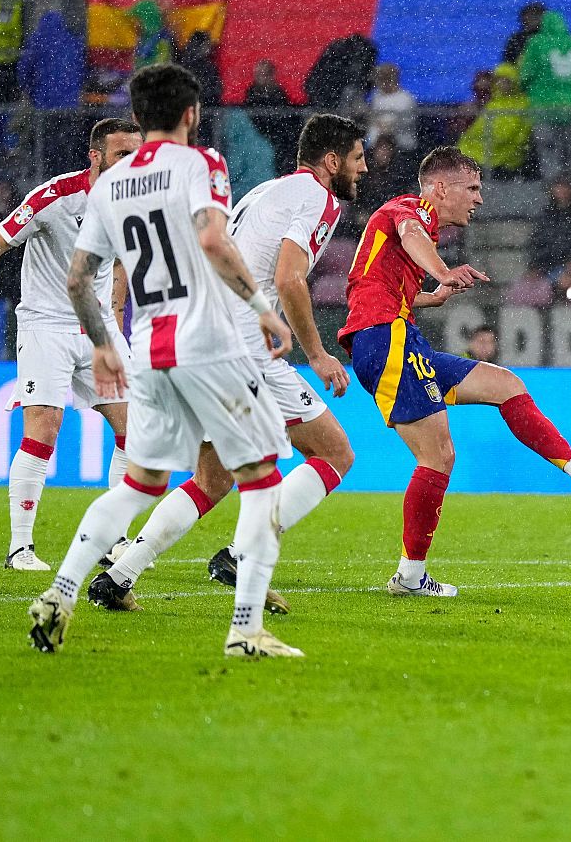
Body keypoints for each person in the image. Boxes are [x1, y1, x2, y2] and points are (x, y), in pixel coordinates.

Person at [29, 63, 300, 657]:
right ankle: (246, 630)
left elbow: (79, 281)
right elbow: (210, 238)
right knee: (259, 480)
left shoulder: (108, 185)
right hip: (209, 342)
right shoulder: (203, 164)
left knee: (141, 482)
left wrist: (103, 343)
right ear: (190, 114)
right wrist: (261, 305)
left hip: (150, 349)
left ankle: (61, 592)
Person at [87, 114, 370, 613]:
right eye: (357, 158)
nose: (363, 169)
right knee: (335, 454)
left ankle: (118, 577)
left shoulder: (264, 193)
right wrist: (318, 354)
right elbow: (289, 279)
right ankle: (241, 555)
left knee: (211, 480)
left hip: (196, 336)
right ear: (332, 161)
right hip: (242, 347)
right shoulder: (317, 199)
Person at [339, 147, 571, 596]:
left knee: (505, 384)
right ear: (440, 188)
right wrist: (442, 272)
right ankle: (410, 577)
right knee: (437, 457)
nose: (478, 199)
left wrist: (426, 296)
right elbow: (410, 232)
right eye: (472, 188)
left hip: (393, 334)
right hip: (387, 340)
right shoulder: (408, 209)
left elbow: (365, 292)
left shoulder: (405, 229)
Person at [0, 119, 142, 571]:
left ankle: (114, 540)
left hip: (96, 329)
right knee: (44, 428)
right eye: (121, 155)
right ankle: (20, 549)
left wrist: (115, 320)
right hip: (46, 325)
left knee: (139, 430)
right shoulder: (55, 197)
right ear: (95, 156)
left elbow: (118, 265)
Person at [519, 11, 571, 179]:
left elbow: (526, 74)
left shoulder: (536, 43)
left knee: (548, 152)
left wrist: (529, 88)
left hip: (544, 106)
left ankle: (552, 192)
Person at [458, 62, 530, 179]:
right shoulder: (492, 103)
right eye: (499, 80)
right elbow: (475, 132)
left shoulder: (522, 104)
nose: (502, 84)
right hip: (481, 155)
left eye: (506, 80)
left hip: (505, 158)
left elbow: (518, 134)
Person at [368, 63, 419, 150]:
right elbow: (371, 118)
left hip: (402, 146)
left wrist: (389, 127)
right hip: (377, 148)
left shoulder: (406, 99)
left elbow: (407, 122)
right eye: (379, 79)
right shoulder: (376, 96)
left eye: (385, 78)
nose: (381, 83)